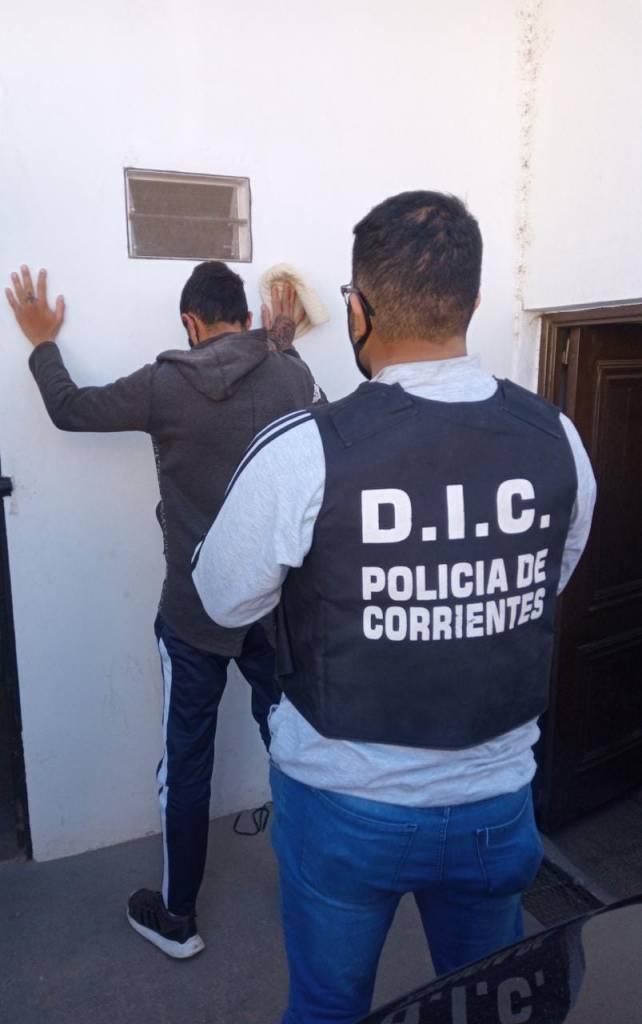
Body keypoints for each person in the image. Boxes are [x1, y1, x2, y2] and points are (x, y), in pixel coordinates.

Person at [192, 191, 597, 1023]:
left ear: (358, 310)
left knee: (328, 1008)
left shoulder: (305, 448)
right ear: (472, 302)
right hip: (494, 803)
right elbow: (538, 583)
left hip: (343, 804)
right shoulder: (558, 438)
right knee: (492, 1007)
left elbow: (222, 600)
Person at [5, 260, 322, 960]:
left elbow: (70, 408)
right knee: (294, 749)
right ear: (246, 317)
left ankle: (179, 918)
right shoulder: (291, 377)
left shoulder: (164, 384)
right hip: (275, 610)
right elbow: (318, 430)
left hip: (194, 615)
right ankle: (313, 894)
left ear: (190, 323)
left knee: (187, 763)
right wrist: (284, 344)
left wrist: (42, 341)